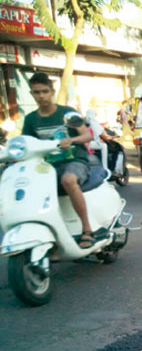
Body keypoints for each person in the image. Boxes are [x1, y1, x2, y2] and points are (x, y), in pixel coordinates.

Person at [22, 73, 98, 249]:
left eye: (45, 91)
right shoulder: (31, 119)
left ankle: (87, 229)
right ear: (31, 94)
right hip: (46, 165)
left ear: (52, 92)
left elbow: (87, 135)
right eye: (36, 92)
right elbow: (26, 143)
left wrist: (71, 140)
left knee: (68, 180)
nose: (41, 96)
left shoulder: (68, 114)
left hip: (74, 161)